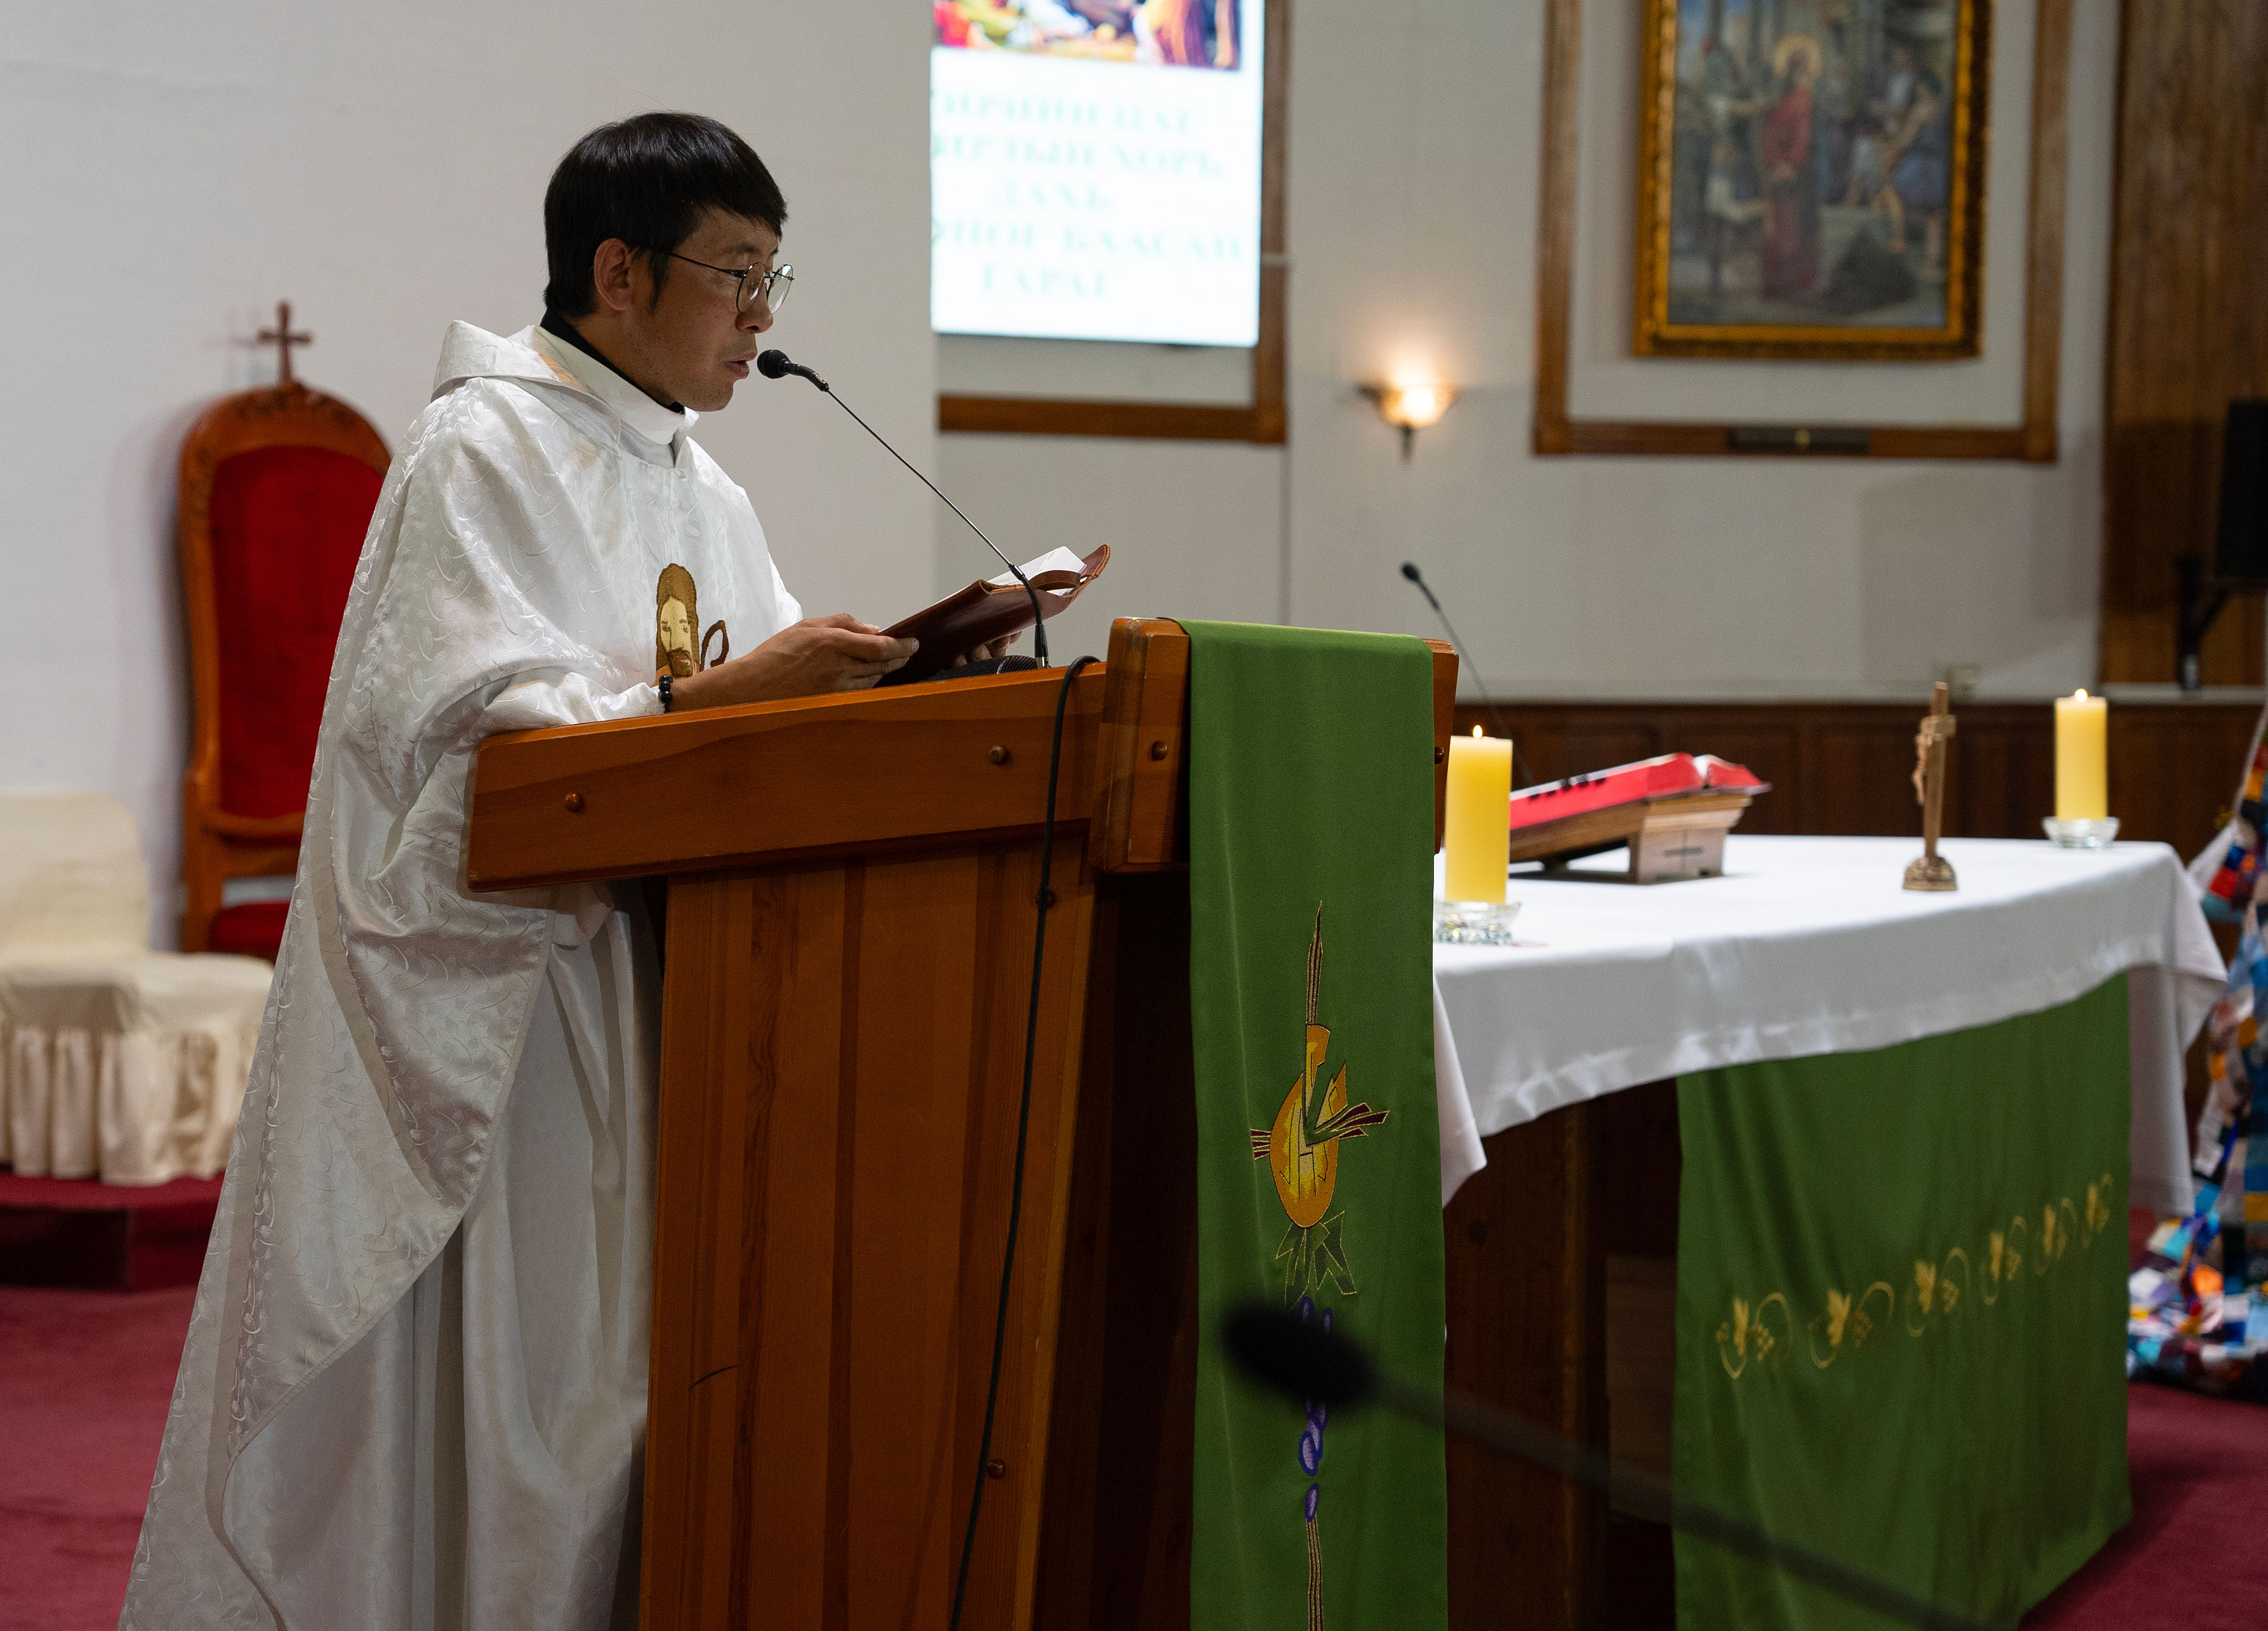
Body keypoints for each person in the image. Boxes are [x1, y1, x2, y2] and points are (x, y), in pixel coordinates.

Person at [120, 112, 1006, 1631]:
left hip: (684, 990)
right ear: (617, 269)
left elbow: (747, 722)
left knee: (646, 1379)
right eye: (739, 275)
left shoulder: (703, 489)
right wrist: (721, 703)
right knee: (541, 1386)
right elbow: (458, 753)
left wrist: (877, 684)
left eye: (773, 275)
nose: (764, 317)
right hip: (524, 1016)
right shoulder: (482, 448)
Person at [1760, 35, 1823, 301]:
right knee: (1790, 224)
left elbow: (1781, 138)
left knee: (1790, 223)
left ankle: (1784, 283)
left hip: (1794, 171)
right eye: (1802, 68)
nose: (1806, 74)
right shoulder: (1801, 100)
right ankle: (1789, 283)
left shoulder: (1784, 102)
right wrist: (1785, 164)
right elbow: (1799, 137)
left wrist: (1778, 163)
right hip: (1796, 172)